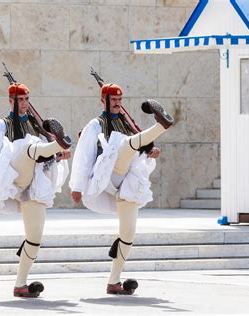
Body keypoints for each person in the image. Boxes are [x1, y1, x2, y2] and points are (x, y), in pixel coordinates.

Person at [69, 83, 174, 295]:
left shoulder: (126, 123)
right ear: (103, 100)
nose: (117, 103)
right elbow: (83, 155)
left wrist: (149, 152)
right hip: (108, 173)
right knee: (123, 147)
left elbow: (139, 152)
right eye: (113, 100)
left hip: (128, 181)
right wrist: (77, 186)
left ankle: (114, 281)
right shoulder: (95, 125)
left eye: (119, 100)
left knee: (128, 234)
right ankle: (160, 126)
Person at [0, 82, 72, 298]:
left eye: (27, 99)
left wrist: (58, 156)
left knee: (35, 237)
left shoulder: (37, 126)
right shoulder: (1, 126)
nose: (25, 104)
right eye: (20, 100)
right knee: (28, 147)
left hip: (33, 183)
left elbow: (46, 162)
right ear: (10, 101)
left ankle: (20, 284)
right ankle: (59, 143)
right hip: (12, 176)